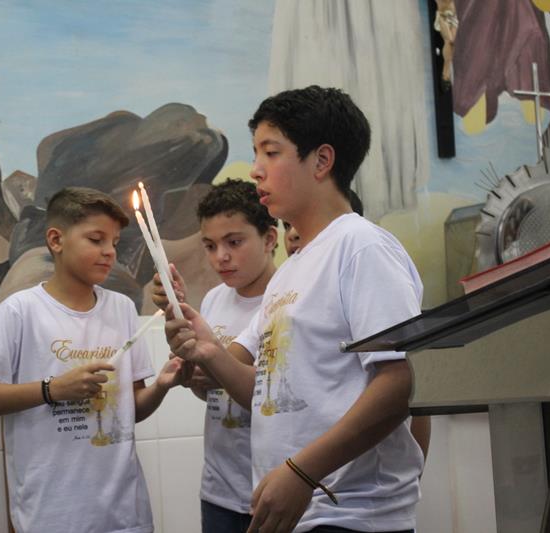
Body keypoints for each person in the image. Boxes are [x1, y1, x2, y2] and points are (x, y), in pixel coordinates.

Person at [165, 86, 425, 533]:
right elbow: (268, 393)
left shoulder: (361, 246)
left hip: (351, 515)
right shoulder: (291, 271)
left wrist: (303, 472)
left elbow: (399, 383)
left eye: (271, 152)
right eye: (256, 154)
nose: (256, 169)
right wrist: (207, 350)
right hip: (296, 512)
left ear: (321, 161)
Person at [0, 186, 185, 533]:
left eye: (114, 243)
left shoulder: (122, 309)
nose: (109, 252)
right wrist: (52, 389)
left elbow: (131, 409)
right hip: (51, 516)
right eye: (96, 240)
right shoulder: (21, 311)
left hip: (125, 515)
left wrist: (162, 386)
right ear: (56, 240)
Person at [152, 179, 278, 533]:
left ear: (269, 238)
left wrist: (215, 366)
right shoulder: (214, 300)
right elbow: (208, 393)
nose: (220, 256)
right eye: (210, 245)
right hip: (220, 490)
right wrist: (190, 372)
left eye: (234, 242)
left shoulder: (288, 299)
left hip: (276, 488)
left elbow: (281, 396)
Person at [283, 191, 432, 464]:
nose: (292, 233)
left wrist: (415, 470)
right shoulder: (286, 283)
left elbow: (406, 380)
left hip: (351, 478)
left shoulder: (363, 249)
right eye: (286, 225)